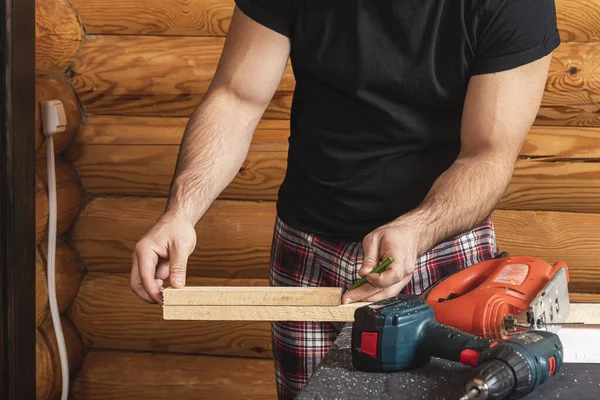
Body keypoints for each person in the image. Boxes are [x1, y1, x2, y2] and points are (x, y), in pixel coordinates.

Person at [130, 0, 560, 398]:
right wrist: (180, 213)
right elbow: (235, 98)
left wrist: (415, 229)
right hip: (307, 246)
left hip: (440, 247)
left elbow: (486, 155)